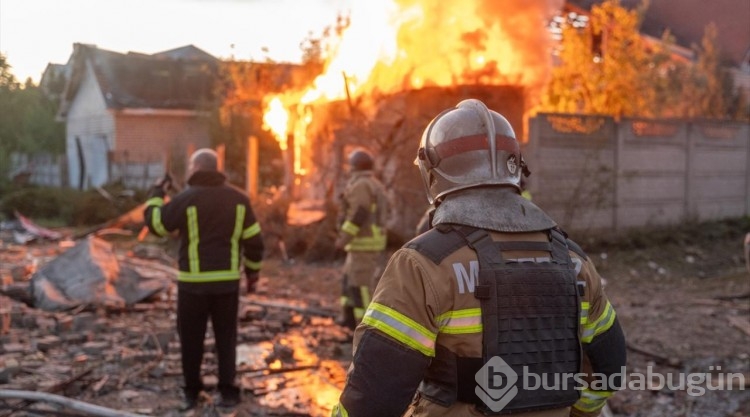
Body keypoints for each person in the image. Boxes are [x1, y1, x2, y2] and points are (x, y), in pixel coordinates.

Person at [332, 99, 626, 417]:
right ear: (515, 165)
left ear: (432, 173)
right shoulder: (575, 261)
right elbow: (609, 366)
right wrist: (578, 413)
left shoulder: (423, 264)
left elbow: (374, 394)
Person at [143, 148, 264, 411]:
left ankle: (191, 391)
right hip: (227, 284)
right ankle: (228, 392)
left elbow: (157, 224)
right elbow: (255, 241)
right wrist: (252, 275)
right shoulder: (239, 200)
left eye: (190, 166)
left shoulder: (187, 199)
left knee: (191, 339)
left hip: (192, 285)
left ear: (196, 169)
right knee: (226, 338)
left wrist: (156, 194)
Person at [335, 149, 389, 331]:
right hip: (362, 244)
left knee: (361, 287)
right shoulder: (372, 183)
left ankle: (367, 329)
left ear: (354, 167)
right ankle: (349, 319)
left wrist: (343, 238)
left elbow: (360, 213)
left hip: (363, 243)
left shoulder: (361, 185)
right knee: (349, 281)